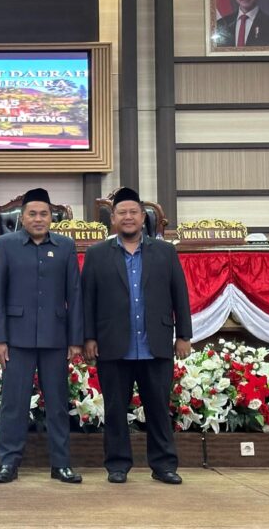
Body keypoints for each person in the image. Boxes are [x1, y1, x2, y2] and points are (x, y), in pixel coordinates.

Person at [82, 187, 192, 485]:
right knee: (115, 409)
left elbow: (179, 295)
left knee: (158, 408)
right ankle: (117, 465)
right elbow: (87, 300)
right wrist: (88, 337)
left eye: (133, 212)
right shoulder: (96, 255)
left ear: (144, 217)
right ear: (113, 219)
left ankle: (164, 465)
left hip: (155, 344)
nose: (128, 217)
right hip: (112, 345)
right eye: (122, 213)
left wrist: (183, 335)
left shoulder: (165, 252)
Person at [0, 188, 84, 485]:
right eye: (32, 213)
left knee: (57, 404)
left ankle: (61, 464)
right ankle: (9, 462)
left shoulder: (65, 246)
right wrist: (0, 339)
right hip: (16, 339)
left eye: (44, 214)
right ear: (22, 217)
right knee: (14, 404)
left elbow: (74, 295)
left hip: (56, 338)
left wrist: (75, 340)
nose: (38, 219)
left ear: (52, 218)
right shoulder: (5, 245)